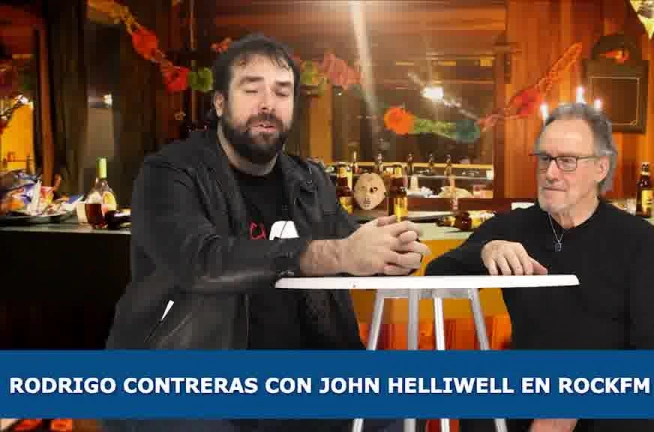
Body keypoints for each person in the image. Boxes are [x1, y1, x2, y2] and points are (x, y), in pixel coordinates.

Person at [104, 33, 429, 432]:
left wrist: (393, 251)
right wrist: (330, 254)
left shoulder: (310, 180)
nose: (267, 104)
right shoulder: (170, 172)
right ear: (220, 102)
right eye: (251, 89)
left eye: (281, 91)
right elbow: (201, 262)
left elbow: (352, 249)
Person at [426, 103, 654, 432]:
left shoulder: (638, 239)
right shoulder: (512, 228)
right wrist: (485, 251)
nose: (550, 173)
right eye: (544, 159)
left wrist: (568, 407)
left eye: (567, 161)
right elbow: (436, 277)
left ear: (600, 167)